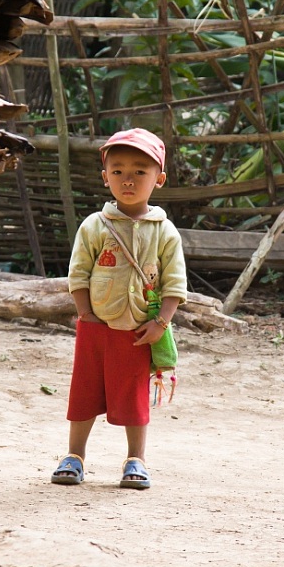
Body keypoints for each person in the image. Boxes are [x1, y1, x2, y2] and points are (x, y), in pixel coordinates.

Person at [51, 128, 187, 490]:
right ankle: (74, 456)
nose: (128, 179)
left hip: (139, 329)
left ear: (158, 179)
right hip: (95, 326)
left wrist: (160, 322)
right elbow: (78, 273)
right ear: (105, 177)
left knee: (133, 395)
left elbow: (174, 284)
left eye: (140, 172)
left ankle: (135, 460)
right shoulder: (94, 226)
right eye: (118, 171)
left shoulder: (165, 232)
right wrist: (86, 314)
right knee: (85, 391)